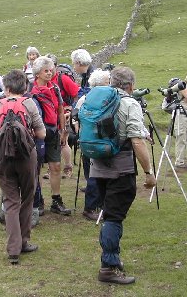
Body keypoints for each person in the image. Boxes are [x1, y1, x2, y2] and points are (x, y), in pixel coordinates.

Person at [90, 67, 156, 284]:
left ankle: (111, 259)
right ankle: (108, 267)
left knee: (108, 213)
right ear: (131, 86)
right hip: (121, 169)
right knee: (113, 217)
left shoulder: (95, 98)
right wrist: (148, 173)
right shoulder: (129, 104)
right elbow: (137, 140)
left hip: (97, 167)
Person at [0, 69, 46, 264]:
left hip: (3, 157)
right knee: (27, 198)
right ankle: (24, 241)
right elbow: (41, 133)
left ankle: (13, 249)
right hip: (26, 156)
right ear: (25, 87)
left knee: (10, 201)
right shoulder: (29, 103)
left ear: (6, 88)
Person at [31, 56, 70, 215]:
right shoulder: (30, 91)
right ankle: (37, 201)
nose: (49, 73)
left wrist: (62, 130)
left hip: (53, 132)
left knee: (56, 166)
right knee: (37, 167)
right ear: (37, 74)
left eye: (50, 70)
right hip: (36, 134)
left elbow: (60, 109)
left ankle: (56, 200)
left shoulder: (54, 88)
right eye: (45, 71)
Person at [73, 69, 110, 221]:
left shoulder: (84, 98)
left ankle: (98, 204)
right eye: (108, 82)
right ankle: (90, 208)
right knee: (96, 175)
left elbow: (75, 118)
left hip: (86, 141)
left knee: (92, 174)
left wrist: (80, 132)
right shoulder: (105, 99)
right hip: (98, 141)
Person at [70, 49, 100, 221]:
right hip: (88, 126)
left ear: (80, 63)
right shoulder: (86, 75)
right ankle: (91, 187)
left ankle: (92, 196)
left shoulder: (92, 76)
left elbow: (86, 98)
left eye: (75, 64)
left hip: (90, 126)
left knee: (92, 163)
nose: (74, 67)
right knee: (89, 162)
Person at [47, 54, 80, 180]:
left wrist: (71, 110)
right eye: (46, 68)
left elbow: (76, 93)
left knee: (63, 141)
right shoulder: (46, 80)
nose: (49, 71)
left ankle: (68, 168)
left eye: (51, 68)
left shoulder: (63, 79)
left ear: (56, 66)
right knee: (52, 142)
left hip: (64, 114)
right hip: (51, 115)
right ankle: (53, 169)